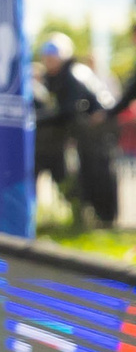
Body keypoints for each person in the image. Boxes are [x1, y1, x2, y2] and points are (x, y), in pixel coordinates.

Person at [36, 35, 118, 228]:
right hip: (89, 131)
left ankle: (105, 219)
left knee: (98, 173)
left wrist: (39, 119)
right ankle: (93, 217)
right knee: (87, 173)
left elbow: (69, 109)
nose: (49, 61)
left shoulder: (73, 74)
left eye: (53, 56)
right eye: (46, 57)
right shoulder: (60, 76)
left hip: (97, 130)